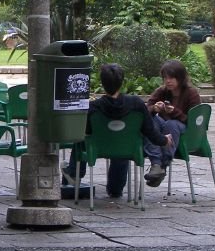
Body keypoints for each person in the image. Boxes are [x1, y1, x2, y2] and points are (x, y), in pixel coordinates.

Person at [63, 63, 173, 199]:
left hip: (99, 147)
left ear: (102, 83)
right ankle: (115, 190)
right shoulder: (136, 104)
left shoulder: (93, 108)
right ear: (122, 82)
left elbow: (86, 131)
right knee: (124, 140)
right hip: (128, 148)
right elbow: (149, 130)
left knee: (81, 138)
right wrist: (164, 140)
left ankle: (74, 173)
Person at [143, 59, 202, 187]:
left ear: (180, 78)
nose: (168, 81)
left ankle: (163, 163)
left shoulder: (191, 93)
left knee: (172, 124)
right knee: (148, 122)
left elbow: (192, 121)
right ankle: (156, 164)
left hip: (182, 128)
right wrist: (154, 108)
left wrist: (174, 112)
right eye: (165, 78)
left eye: (172, 78)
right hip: (162, 125)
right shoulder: (162, 91)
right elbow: (146, 110)